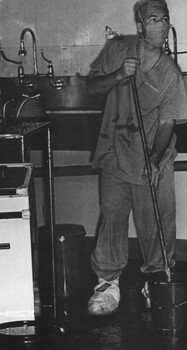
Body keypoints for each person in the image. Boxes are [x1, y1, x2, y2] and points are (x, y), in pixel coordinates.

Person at [86, 0, 187, 316]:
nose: (159, 25)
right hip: (116, 151)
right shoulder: (120, 49)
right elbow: (91, 87)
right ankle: (106, 282)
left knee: (156, 223)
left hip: (152, 154)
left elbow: (168, 123)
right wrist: (117, 76)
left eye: (164, 19)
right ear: (141, 25)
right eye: (152, 19)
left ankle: (157, 280)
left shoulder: (170, 74)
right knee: (112, 218)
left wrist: (154, 160)